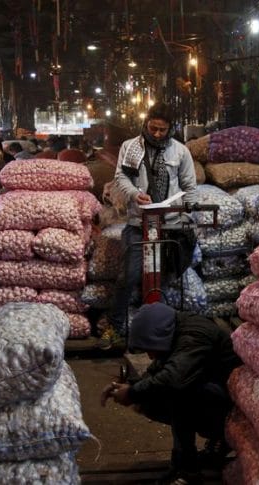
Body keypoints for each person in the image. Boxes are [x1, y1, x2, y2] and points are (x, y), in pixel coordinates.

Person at [100, 302, 241, 484]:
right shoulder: (175, 330)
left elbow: (173, 379)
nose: (150, 356)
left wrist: (133, 393)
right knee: (156, 395)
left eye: (150, 349)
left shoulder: (194, 336)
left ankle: (190, 468)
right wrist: (128, 385)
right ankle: (185, 463)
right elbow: (157, 370)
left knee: (177, 394)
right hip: (214, 393)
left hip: (232, 407)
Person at [98, 102, 198, 350]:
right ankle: (116, 325)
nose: (157, 134)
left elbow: (189, 185)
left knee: (163, 278)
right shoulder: (132, 148)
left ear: (170, 128)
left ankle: (157, 330)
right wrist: (134, 194)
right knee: (128, 275)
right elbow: (122, 177)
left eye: (162, 130)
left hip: (170, 224)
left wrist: (190, 209)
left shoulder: (180, 152)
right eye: (153, 128)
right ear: (146, 124)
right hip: (138, 222)